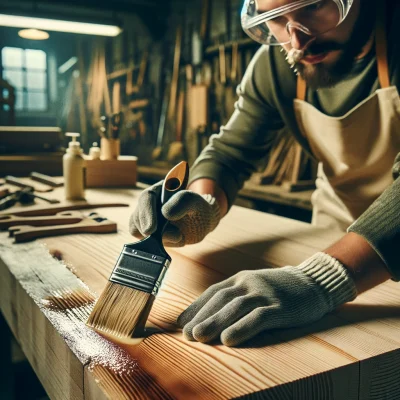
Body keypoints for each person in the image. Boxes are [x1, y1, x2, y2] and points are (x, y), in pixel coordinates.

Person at [130, 0, 400, 347]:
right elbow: (231, 152)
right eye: (276, 20)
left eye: (313, 7)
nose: (297, 42)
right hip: (334, 237)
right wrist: (201, 202)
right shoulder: (279, 64)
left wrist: (321, 279)